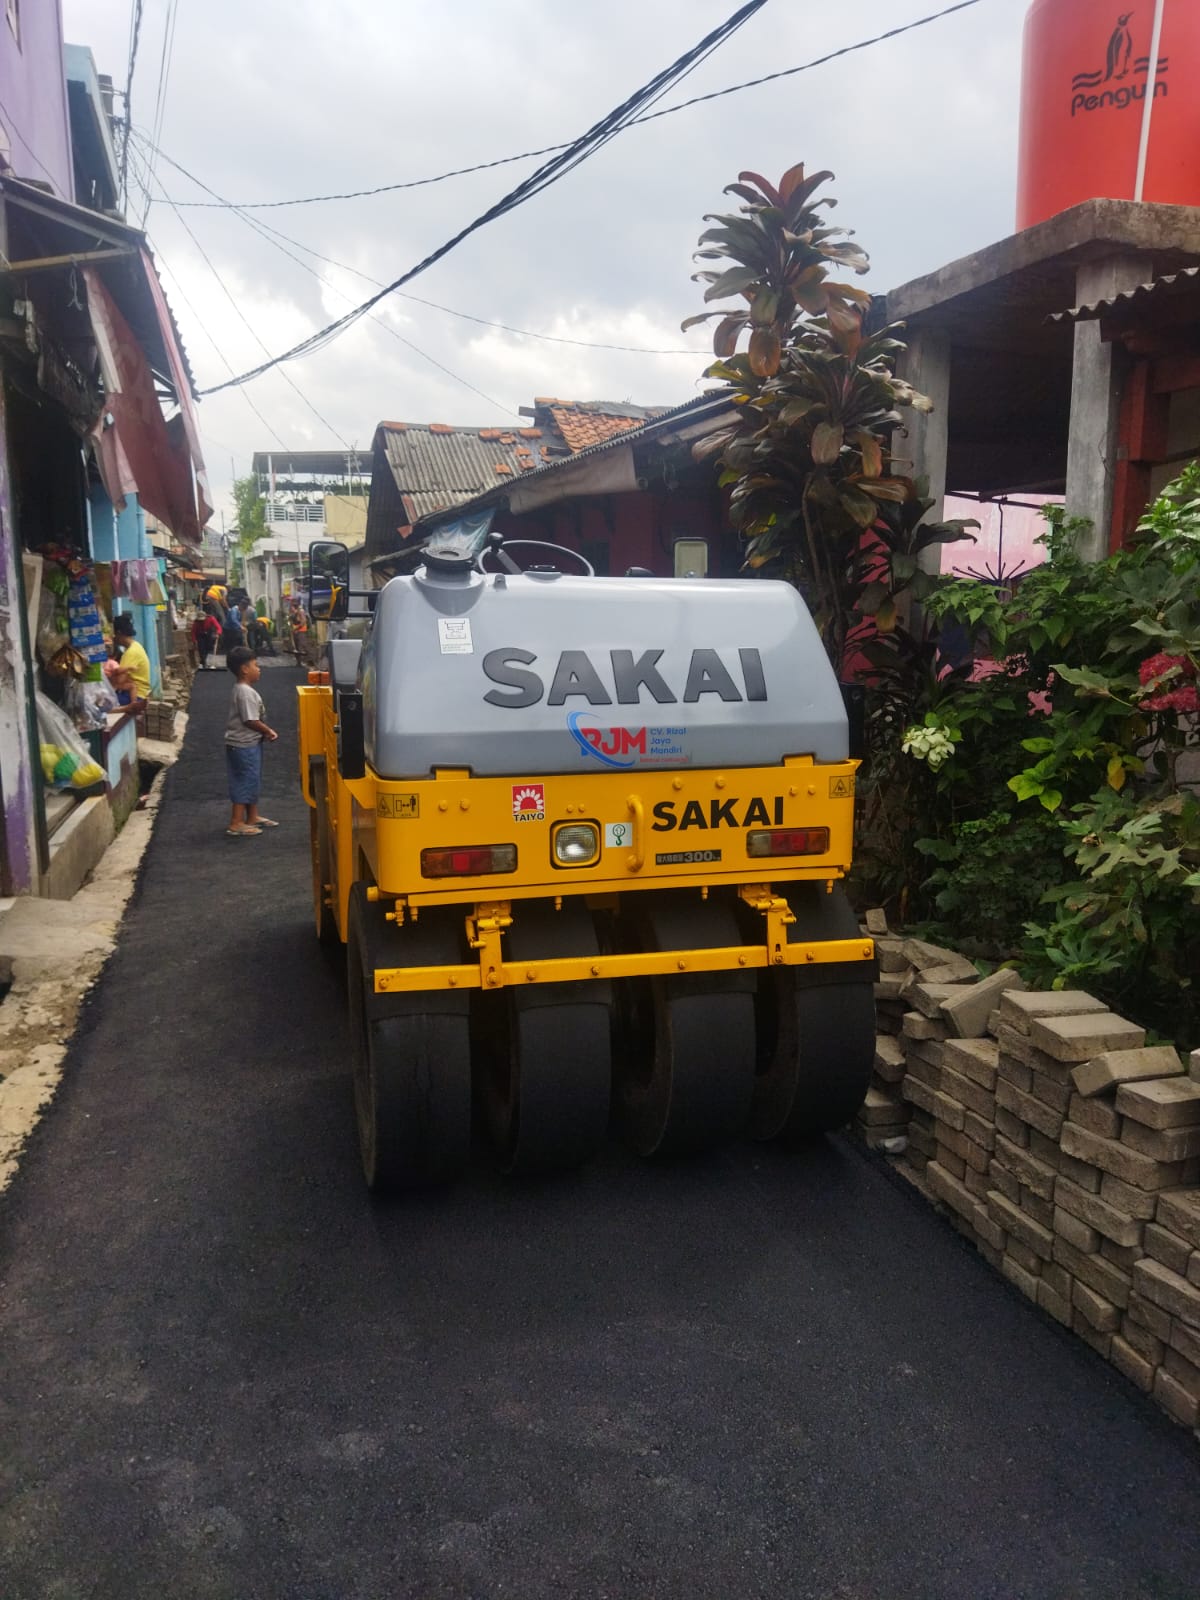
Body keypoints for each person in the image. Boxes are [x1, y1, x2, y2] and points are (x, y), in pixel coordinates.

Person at [224, 645, 279, 837]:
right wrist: (268, 731)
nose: (259, 669)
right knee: (243, 780)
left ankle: (252, 816)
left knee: (252, 779)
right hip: (242, 745)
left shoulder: (244, 690)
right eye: (256, 665)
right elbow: (250, 720)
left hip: (250, 744)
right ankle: (236, 822)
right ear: (244, 669)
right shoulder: (245, 692)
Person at [112, 613, 151, 705]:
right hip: (141, 693)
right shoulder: (136, 646)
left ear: (119, 633)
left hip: (135, 695)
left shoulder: (131, 653)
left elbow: (120, 680)